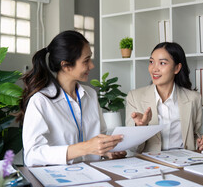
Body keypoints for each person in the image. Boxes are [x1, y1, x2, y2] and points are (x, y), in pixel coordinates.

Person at [18, 30, 126, 166]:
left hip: (95, 175)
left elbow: (100, 137)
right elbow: (32, 155)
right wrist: (85, 147)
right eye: (86, 61)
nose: (91, 65)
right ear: (66, 66)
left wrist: (107, 151)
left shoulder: (90, 95)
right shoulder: (41, 101)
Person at [125, 42, 203, 153]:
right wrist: (141, 127)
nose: (154, 69)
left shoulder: (193, 98)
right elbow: (133, 148)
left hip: (184, 162)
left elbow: (194, 137)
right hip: (151, 165)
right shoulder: (134, 97)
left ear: (177, 68)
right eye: (151, 62)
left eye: (162, 63)